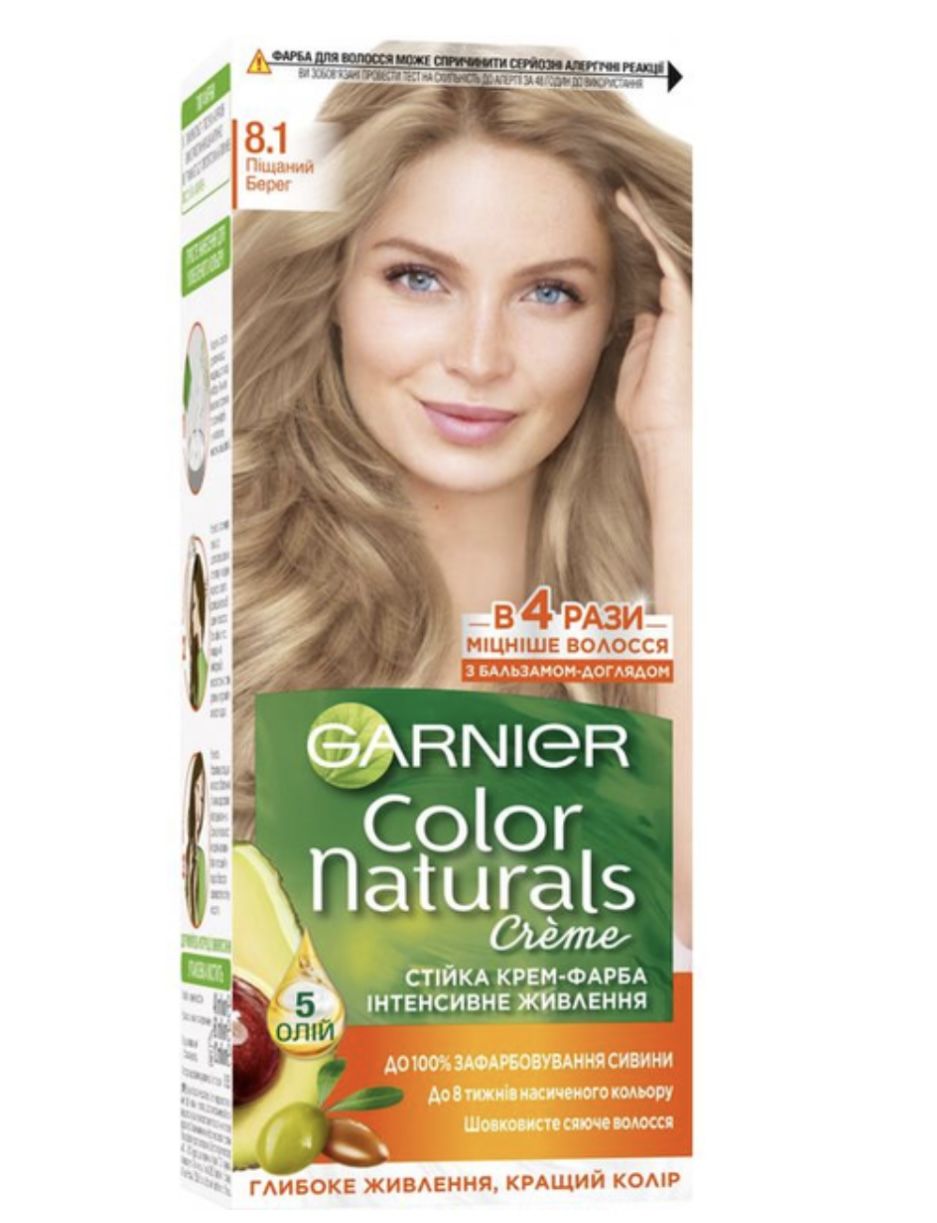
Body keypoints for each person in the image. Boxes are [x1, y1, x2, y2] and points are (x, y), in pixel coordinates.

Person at [232, 79, 692, 949]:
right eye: (418, 279)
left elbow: (705, 908)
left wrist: (674, 446)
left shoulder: (654, 640)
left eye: (548, 292)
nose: (479, 359)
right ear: (332, 287)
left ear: (623, 321)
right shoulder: (232, 618)